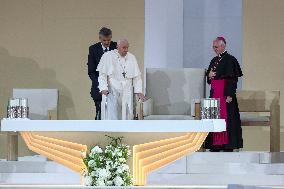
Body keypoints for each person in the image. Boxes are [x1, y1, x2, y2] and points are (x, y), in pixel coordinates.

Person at [205, 36, 243, 152]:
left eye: (216, 47)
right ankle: (216, 145)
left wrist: (230, 95)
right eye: (213, 47)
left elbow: (232, 79)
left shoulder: (230, 60)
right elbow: (210, 77)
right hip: (215, 93)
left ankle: (227, 145)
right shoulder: (213, 60)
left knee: (226, 119)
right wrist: (209, 76)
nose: (214, 49)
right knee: (214, 118)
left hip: (225, 94)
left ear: (223, 46)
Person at [97, 39, 145, 120]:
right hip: (113, 91)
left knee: (127, 116)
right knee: (113, 115)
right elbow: (102, 75)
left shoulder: (131, 57)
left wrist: (138, 91)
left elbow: (137, 77)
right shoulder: (108, 56)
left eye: (127, 48)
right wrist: (103, 88)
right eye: (124, 48)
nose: (126, 50)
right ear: (117, 47)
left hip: (127, 90)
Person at [87, 27, 117, 120]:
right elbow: (91, 71)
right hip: (99, 87)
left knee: (114, 114)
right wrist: (101, 85)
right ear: (100, 38)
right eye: (104, 40)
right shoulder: (93, 49)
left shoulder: (116, 47)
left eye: (109, 40)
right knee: (100, 113)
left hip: (115, 87)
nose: (107, 42)